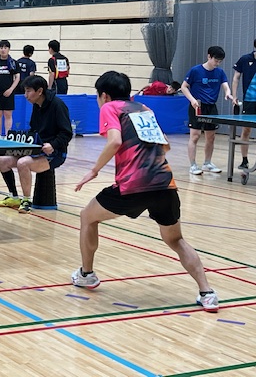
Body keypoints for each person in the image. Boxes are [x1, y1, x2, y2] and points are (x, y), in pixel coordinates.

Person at [72, 70, 219, 312]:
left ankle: (86, 274)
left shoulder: (110, 107)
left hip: (133, 185)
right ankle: (207, 293)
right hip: (164, 184)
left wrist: (94, 171)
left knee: (87, 217)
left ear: (104, 95)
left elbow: (115, 141)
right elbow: (165, 146)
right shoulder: (143, 109)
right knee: (176, 239)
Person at [0, 75, 72, 213]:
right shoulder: (37, 105)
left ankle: (26, 201)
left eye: (28, 91)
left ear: (40, 91)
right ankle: (14, 197)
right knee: (2, 161)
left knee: (23, 163)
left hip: (56, 153)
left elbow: (67, 133)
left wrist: (53, 145)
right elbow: (33, 130)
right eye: (25, 91)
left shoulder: (58, 105)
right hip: (37, 151)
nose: (25, 95)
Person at [181, 46, 233, 175]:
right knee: (195, 136)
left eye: (220, 61)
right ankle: (193, 165)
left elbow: (225, 85)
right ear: (209, 56)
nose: (217, 63)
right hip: (197, 106)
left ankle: (207, 163)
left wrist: (228, 93)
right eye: (216, 60)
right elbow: (184, 87)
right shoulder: (195, 71)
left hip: (211, 107)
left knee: (211, 137)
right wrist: (192, 100)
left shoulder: (220, 72)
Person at [231, 39, 256, 170]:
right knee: (246, 130)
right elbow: (236, 78)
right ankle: (244, 160)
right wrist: (234, 96)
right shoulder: (245, 59)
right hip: (249, 101)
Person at [0, 40, 20, 138]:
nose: (3, 50)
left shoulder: (13, 63)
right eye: (1, 48)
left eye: (5, 48)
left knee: (8, 114)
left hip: (9, 92)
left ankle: (7, 134)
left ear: (9, 49)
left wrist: (11, 89)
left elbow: (17, 77)